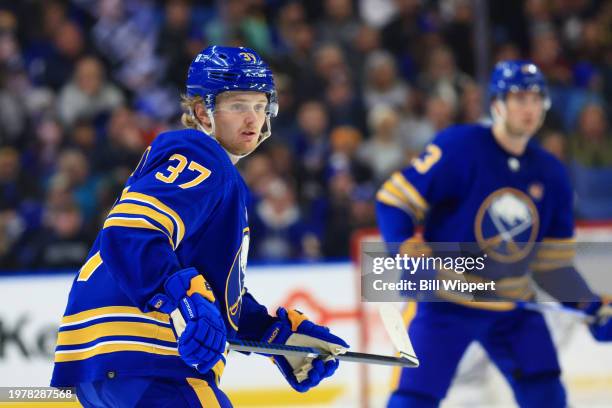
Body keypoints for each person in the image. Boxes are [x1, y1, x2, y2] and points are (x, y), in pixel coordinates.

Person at [50, 46, 349, 407]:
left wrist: (276, 335)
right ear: (201, 111)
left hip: (105, 370)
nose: (252, 119)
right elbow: (130, 230)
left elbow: (206, 292)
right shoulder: (201, 154)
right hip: (149, 357)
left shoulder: (205, 173)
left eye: (259, 105)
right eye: (237, 105)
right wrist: (186, 299)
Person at [376, 60, 612, 408]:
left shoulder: (552, 174)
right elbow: (393, 201)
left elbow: (552, 267)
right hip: (447, 301)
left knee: (546, 393)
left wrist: (590, 305)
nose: (528, 108)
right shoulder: (459, 147)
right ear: (496, 104)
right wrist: (406, 248)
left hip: (513, 307)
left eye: (536, 99)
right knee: (414, 399)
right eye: (518, 98)